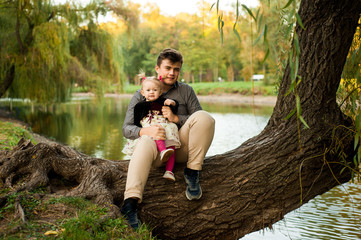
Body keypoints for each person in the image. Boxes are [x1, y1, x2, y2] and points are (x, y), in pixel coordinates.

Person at [121, 48, 215, 229]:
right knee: (146, 140)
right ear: (157, 68)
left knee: (205, 117)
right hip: (153, 151)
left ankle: (192, 172)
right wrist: (145, 131)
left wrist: (176, 119)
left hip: (179, 149)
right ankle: (130, 203)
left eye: (177, 69)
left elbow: (199, 121)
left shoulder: (186, 91)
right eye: (168, 68)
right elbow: (127, 128)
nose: (172, 73)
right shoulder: (142, 93)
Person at [122, 76, 181, 181]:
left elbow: (174, 107)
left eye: (155, 90)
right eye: (148, 90)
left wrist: (172, 103)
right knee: (156, 129)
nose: (152, 92)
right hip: (150, 128)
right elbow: (136, 121)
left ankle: (169, 171)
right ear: (142, 92)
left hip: (166, 128)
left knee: (171, 146)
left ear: (160, 91)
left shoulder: (163, 101)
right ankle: (162, 151)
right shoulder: (140, 105)